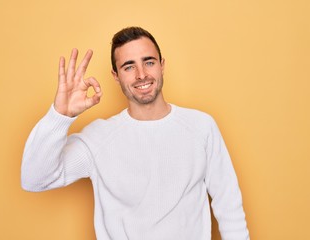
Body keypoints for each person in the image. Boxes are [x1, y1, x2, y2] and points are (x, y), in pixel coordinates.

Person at [21, 26, 250, 240]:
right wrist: (60, 115)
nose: (141, 75)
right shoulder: (99, 139)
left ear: (162, 65)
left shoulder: (201, 127)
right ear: (116, 76)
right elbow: (35, 178)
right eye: (129, 66)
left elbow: (229, 207)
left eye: (148, 62)